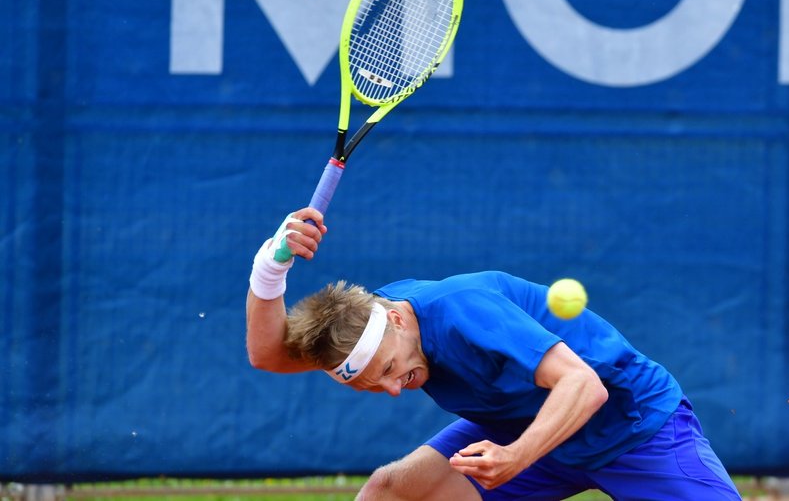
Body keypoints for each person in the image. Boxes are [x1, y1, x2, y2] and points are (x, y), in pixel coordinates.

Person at [246, 208, 741, 501]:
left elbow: (583, 386)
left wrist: (516, 458)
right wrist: (273, 264)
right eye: (375, 384)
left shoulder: (463, 311)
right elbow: (270, 355)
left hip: (630, 428)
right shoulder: (366, 329)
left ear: (397, 318)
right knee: (392, 493)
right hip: (518, 429)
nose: (393, 389)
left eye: (392, 371)